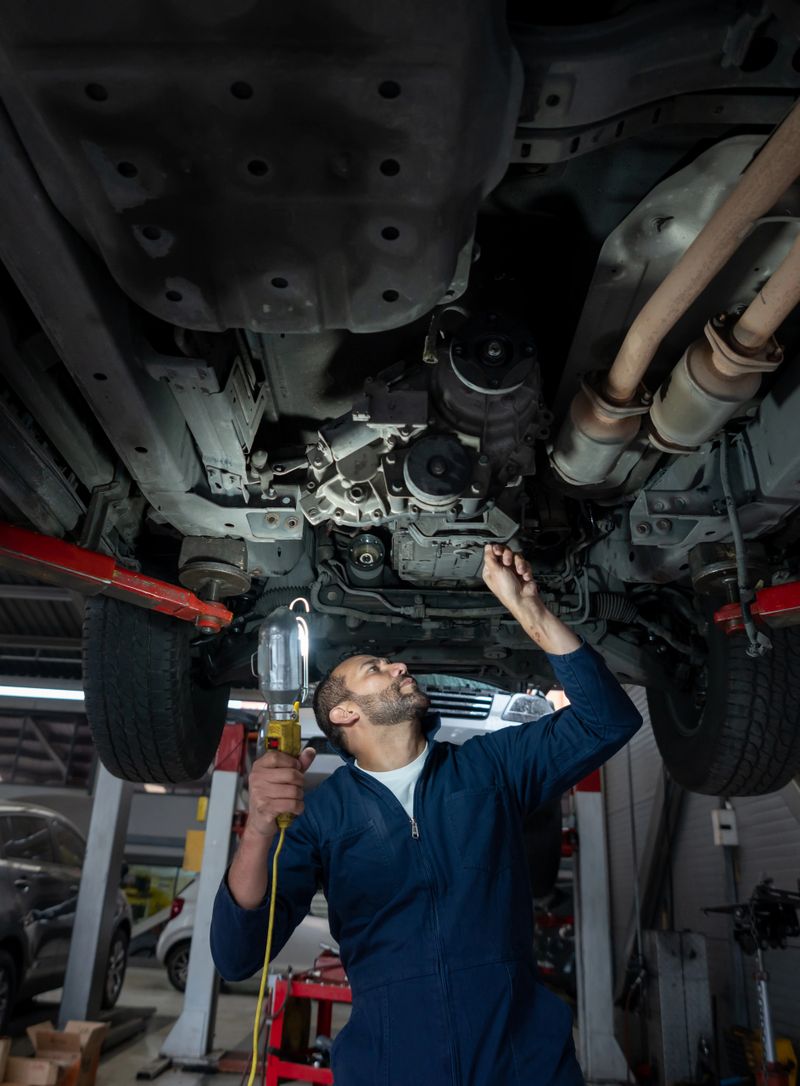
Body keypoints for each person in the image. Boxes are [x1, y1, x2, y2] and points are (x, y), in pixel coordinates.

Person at [211, 543, 642, 1086]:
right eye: (375, 668)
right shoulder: (323, 816)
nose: (399, 665)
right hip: (391, 1070)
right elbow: (236, 955)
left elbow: (609, 721)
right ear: (344, 712)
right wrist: (256, 829)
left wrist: (530, 610)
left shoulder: (490, 768)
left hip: (524, 1066)